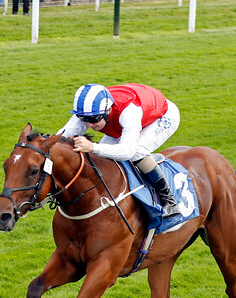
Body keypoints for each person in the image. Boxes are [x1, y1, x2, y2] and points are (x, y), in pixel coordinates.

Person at [57, 83, 181, 218]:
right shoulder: (88, 111)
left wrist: (93, 147)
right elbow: (61, 136)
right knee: (102, 158)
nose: (88, 124)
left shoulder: (129, 112)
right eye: (83, 119)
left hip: (161, 115)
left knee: (137, 151)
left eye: (93, 119)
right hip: (133, 115)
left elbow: (128, 151)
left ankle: (169, 200)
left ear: (108, 110)